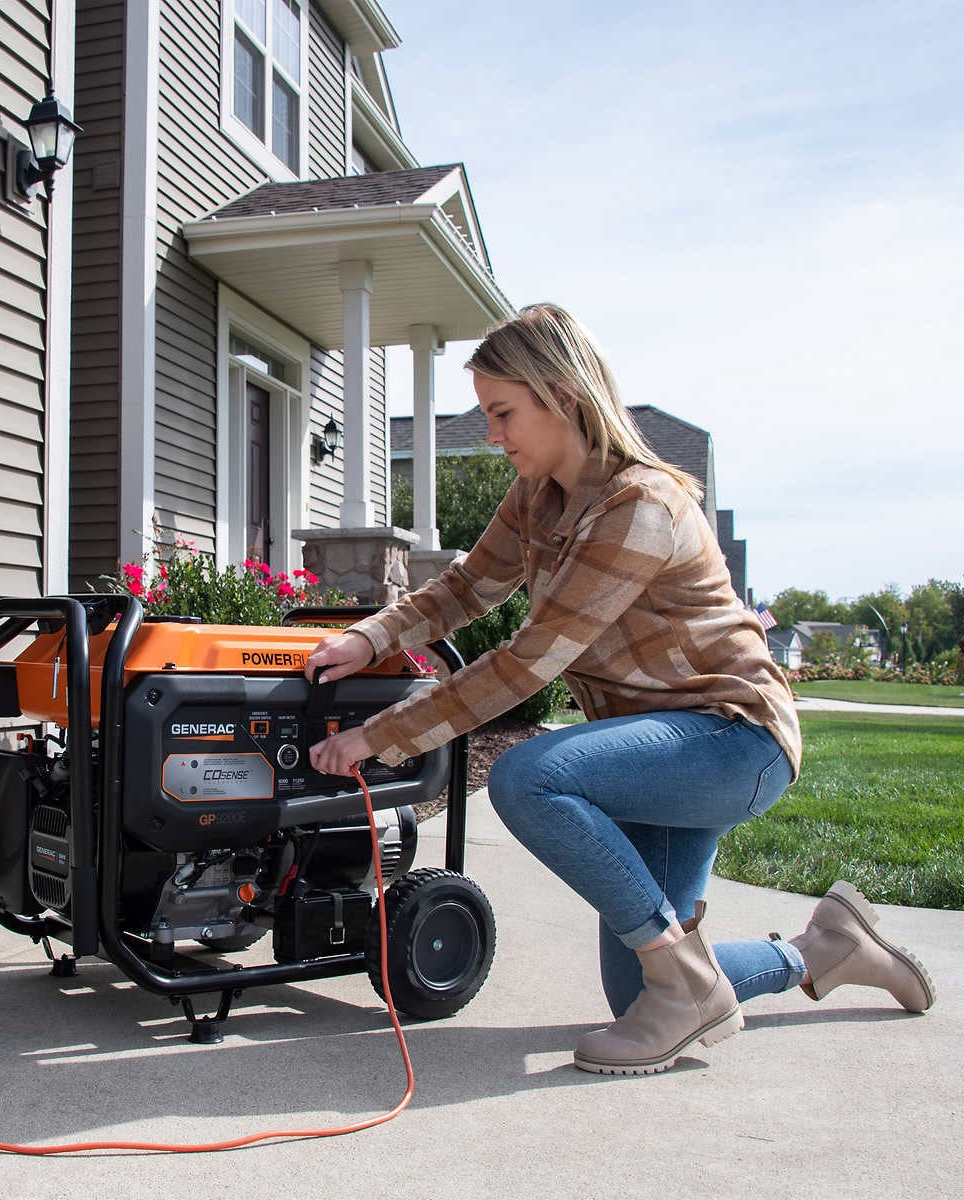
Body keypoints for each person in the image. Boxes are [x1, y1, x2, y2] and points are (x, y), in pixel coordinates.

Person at [305, 303, 936, 1075]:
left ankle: (687, 983)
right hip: (655, 749)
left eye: (503, 413)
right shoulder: (540, 494)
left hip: (733, 740)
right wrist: (371, 636)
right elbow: (469, 587)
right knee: (638, 989)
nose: (493, 434)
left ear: (563, 397)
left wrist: (380, 738)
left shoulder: (641, 506)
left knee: (527, 776)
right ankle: (822, 950)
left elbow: (529, 661)